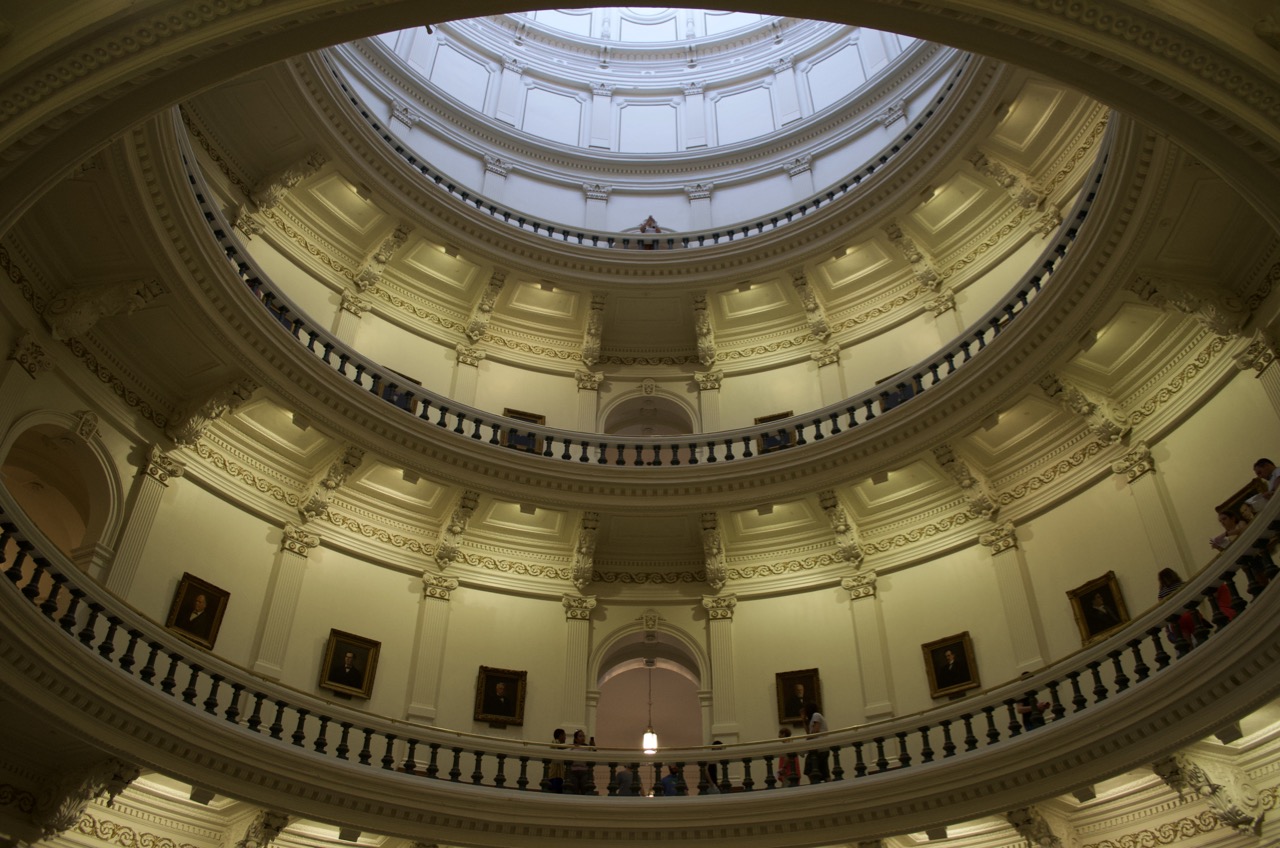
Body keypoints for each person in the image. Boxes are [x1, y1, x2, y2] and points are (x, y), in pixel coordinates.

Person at [800, 702, 829, 783]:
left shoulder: (816, 715)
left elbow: (815, 731)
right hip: (819, 748)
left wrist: (805, 744)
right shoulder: (812, 718)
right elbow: (809, 733)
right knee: (823, 770)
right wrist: (803, 720)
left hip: (820, 747)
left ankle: (817, 785)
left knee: (811, 768)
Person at [566, 729, 593, 794]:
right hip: (573, 771)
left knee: (585, 790)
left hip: (584, 771)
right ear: (576, 739)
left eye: (583, 736)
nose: (582, 738)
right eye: (580, 736)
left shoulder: (587, 748)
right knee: (574, 790)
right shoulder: (571, 748)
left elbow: (593, 756)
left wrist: (593, 747)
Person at [546, 728, 566, 793]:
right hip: (554, 774)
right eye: (564, 735)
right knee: (554, 790)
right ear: (560, 736)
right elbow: (559, 747)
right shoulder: (555, 742)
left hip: (560, 774)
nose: (565, 737)